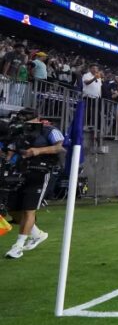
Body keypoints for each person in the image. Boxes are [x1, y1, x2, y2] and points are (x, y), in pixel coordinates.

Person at [3, 108, 65, 259]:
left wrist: (38, 151)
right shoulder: (17, 131)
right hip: (20, 171)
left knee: (29, 209)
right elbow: (10, 152)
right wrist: (7, 159)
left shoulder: (49, 130)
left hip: (41, 171)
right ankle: (38, 234)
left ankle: (18, 246)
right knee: (13, 209)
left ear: (38, 119)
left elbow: (59, 147)